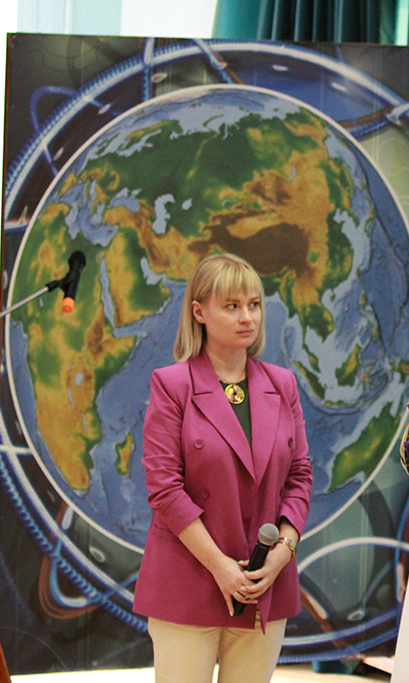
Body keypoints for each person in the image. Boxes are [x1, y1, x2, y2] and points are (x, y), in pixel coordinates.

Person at [133, 253, 313, 683]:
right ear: (199, 312)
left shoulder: (282, 384)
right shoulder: (172, 385)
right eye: (232, 306)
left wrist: (281, 554)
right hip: (189, 581)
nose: (247, 317)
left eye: (254, 305)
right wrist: (220, 566)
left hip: (263, 584)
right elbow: (165, 489)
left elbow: (300, 477)